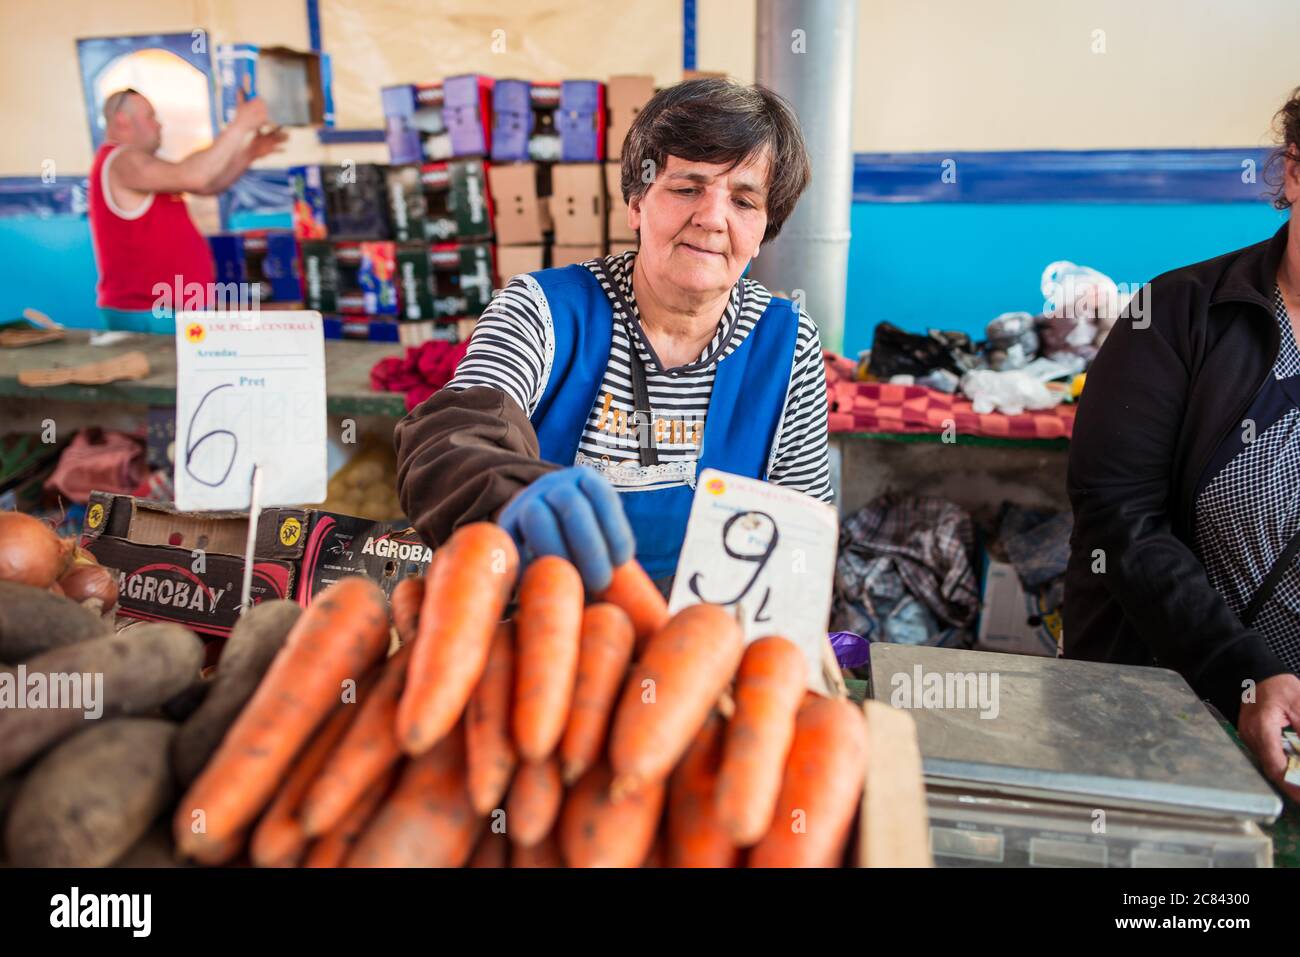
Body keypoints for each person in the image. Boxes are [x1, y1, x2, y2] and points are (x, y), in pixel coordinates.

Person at [395, 78, 832, 595]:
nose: (712, 218)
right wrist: (509, 496)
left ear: (763, 231)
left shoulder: (786, 344)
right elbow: (452, 438)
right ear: (636, 204)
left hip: (699, 632)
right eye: (687, 187)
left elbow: (800, 529)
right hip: (538, 610)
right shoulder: (544, 311)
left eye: (744, 201)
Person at [1066, 87, 1300, 801]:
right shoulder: (1174, 314)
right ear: (1294, 172)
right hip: (1162, 718)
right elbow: (1121, 518)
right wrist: (1245, 673)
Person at [86, 88, 287, 333]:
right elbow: (197, 176)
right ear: (122, 119)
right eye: (150, 116)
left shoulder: (140, 166)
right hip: (148, 315)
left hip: (171, 312)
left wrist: (249, 153)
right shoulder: (122, 161)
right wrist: (239, 126)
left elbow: (210, 184)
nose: (159, 125)